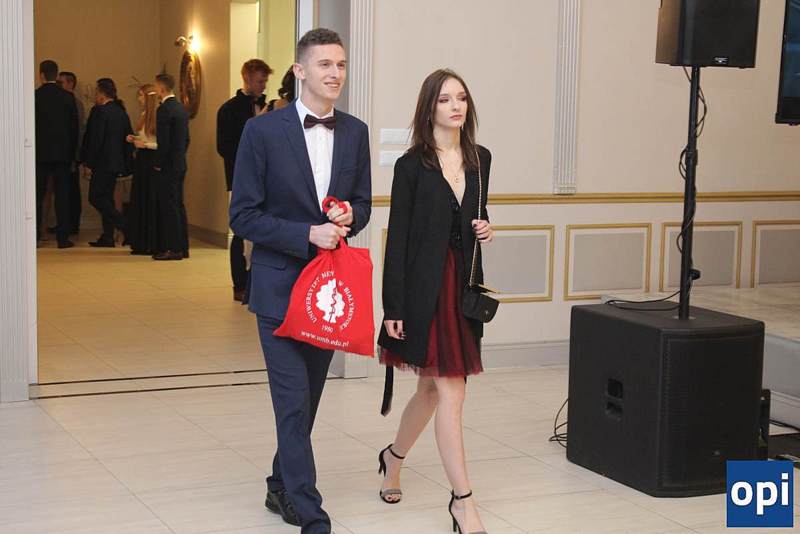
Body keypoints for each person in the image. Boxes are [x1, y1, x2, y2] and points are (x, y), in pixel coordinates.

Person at [229, 28, 371, 534]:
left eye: (341, 64)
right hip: (277, 289)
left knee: (305, 401)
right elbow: (242, 216)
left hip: (328, 294)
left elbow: (363, 204)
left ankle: (278, 485)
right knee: (291, 402)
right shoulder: (262, 132)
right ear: (300, 70)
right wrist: (305, 233)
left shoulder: (355, 132)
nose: (335, 73)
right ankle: (311, 514)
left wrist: (351, 214)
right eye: (325, 64)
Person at [377, 69, 494, 534]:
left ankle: (392, 458)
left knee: (433, 391)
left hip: (461, 289)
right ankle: (463, 502)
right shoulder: (411, 166)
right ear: (429, 108)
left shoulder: (481, 159)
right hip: (423, 291)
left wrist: (485, 226)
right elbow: (399, 239)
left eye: (461, 97)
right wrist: (393, 308)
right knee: (447, 392)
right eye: (445, 99)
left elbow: (474, 214)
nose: (455, 106)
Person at [217, 59, 273, 300]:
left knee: (263, 231)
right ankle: (239, 285)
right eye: (260, 81)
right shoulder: (228, 110)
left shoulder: (270, 108)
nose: (263, 86)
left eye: (265, 81)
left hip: (267, 180)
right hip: (238, 179)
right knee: (241, 230)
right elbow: (224, 147)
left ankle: (258, 283)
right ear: (247, 79)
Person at [80, 78, 134, 247]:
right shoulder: (121, 112)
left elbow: (96, 140)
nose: (95, 95)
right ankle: (108, 236)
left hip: (102, 162)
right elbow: (128, 138)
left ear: (101, 93)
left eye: (96, 92)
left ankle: (125, 226)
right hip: (115, 163)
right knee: (107, 199)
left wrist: (89, 163)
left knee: (95, 197)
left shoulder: (100, 112)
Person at [35, 59, 78, 248]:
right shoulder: (67, 97)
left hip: (40, 153)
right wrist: (73, 154)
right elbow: (74, 128)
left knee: (38, 194)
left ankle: (36, 235)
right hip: (63, 153)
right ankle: (63, 238)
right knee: (63, 195)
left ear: (41, 75)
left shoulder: (35, 96)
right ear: (56, 75)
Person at [152, 73, 190, 261]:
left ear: (161, 88)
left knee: (169, 207)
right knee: (178, 205)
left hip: (168, 165)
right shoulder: (181, 108)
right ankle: (183, 246)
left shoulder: (164, 109)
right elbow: (186, 139)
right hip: (180, 162)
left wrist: (158, 163)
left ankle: (173, 248)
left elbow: (164, 142)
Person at [126, 84, 160, 255]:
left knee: (149, 198)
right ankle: (139, 240)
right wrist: (135, 139)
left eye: (140, 96)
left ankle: (150, 241)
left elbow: (160, 143)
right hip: (141, 159)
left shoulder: (157, 116)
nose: (138, 99)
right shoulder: (143, 115)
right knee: (139, 198)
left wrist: (145, 144)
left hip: (150, 159)